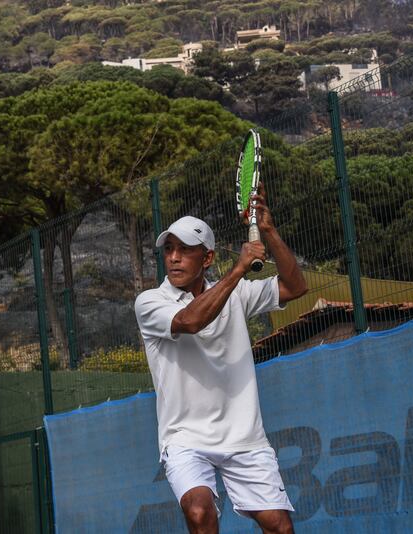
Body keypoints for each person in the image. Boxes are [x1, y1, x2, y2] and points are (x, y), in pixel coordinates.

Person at [134, 189, 307, 534]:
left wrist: (269, 232)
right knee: (199, 512)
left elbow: (296, 286)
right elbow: (190, 321)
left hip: (245, 438)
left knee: (280, 528)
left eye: (185, 250)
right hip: (184, 438)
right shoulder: (150, 301)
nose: (174, 258)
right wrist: (240, 268)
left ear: (207, 258)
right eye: (169, 249)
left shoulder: (237, 295)